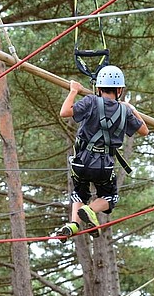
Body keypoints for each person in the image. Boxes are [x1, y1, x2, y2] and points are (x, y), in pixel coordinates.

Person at [57, 65, 149, 238]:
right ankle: (90, 210)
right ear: (120, 89)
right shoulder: (125, 110)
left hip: (81, 161)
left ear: (98, 88)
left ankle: (74, 224)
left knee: (79, 192)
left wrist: (73, 91)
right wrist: (133, 109)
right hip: (104, 165)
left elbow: (64, 112)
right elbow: (145, 131)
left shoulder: (91, 101)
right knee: (110, 198)